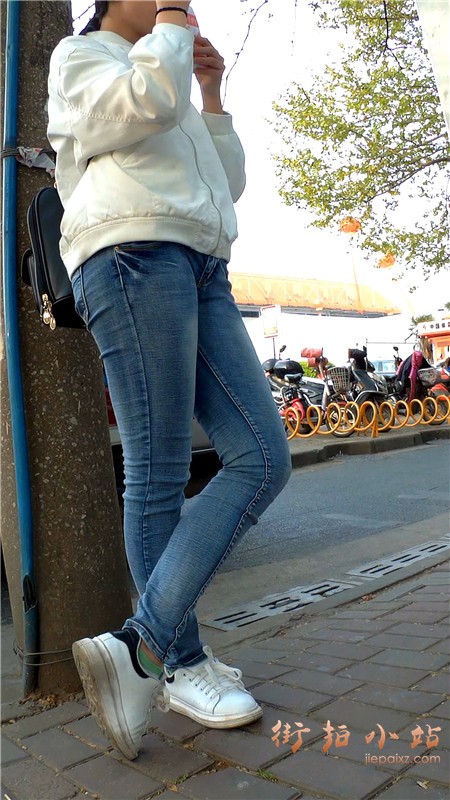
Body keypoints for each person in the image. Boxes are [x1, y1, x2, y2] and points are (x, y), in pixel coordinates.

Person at [47, 0, 291, 761]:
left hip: (202, 262)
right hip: (132, 253)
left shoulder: (169, 68)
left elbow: (226, 184)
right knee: (156, 472)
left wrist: (212, 98)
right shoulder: (81, 57)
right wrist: (174, 29)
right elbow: (141, 106)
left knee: (262, 455)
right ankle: (176, 662)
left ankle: (141, 649)